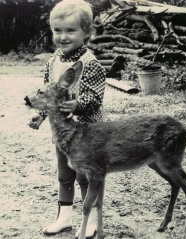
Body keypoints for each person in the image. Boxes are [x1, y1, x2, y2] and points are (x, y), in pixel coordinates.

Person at [28, 0, 106, 238]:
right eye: (57, 30)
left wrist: (78, 104)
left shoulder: (92, 64)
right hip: (62, 132)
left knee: (85, 175)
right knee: (64, 173)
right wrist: (40, 115)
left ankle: (90, 218)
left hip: (87, 132)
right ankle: (64, 217)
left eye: (70, 30)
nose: (63, 36)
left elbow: (96, 97)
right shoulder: (53, 61)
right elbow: (48, 96)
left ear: (86, 32)